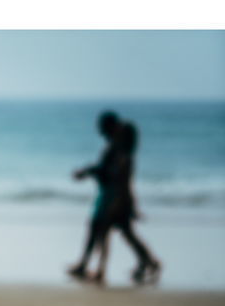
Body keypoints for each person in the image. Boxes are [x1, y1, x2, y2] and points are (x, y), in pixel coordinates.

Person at [68, 111, 161, 286]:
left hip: (114, 198)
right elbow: (108, 173)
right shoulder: (119, 151)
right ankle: (148, 262)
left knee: (102, 231)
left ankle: (97, 269)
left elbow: (117, 178)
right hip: (114, 196)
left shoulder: (121, 154)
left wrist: (120, 201)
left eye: (105, 130)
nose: (104, 134)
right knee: (120, 233)